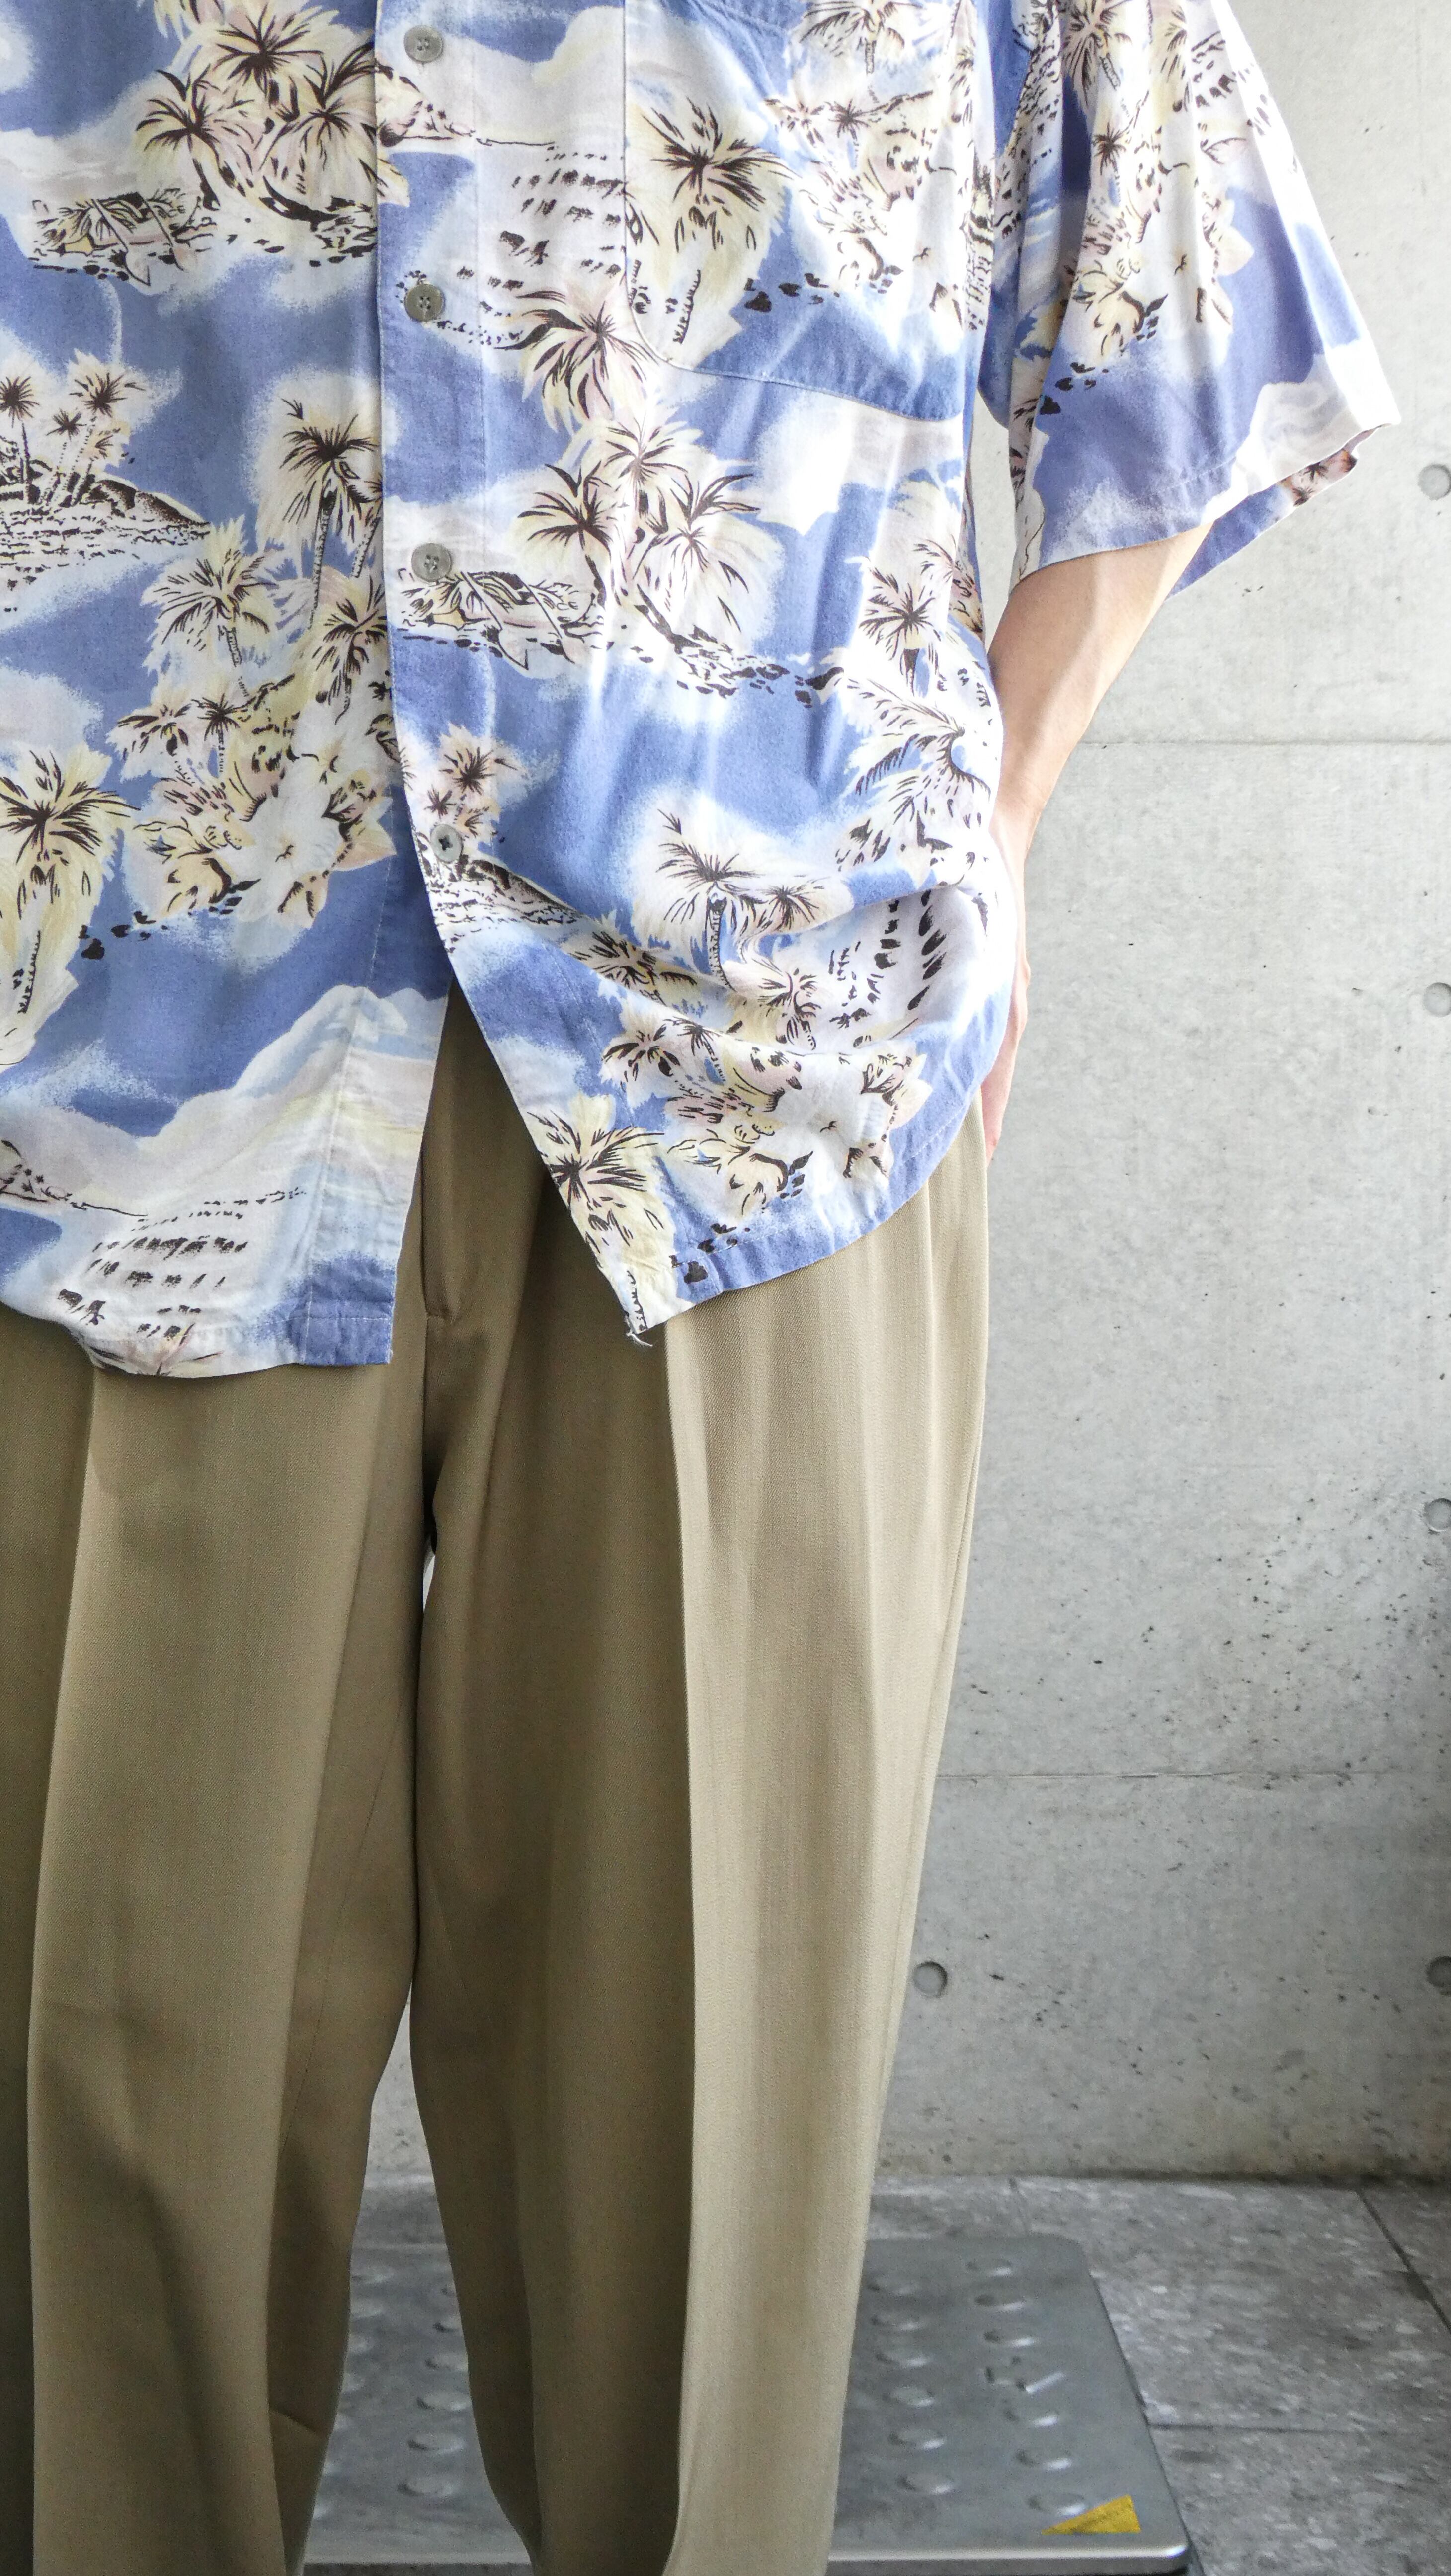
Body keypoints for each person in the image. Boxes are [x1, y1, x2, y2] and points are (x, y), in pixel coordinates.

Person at [0, 2, 1393, 2571]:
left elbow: (1186, 318)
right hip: (118, 1064)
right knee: (85, 2135)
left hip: (766, 1072)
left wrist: (987, 838)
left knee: (697, 2124)